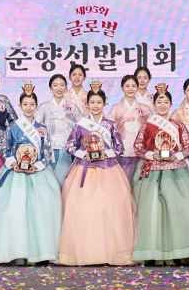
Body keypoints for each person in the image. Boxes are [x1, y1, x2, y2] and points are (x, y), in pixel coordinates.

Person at [58, 89, 135, 266]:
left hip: (108, 170)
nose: (95, 105)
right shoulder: (80, 125)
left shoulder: (110, 125)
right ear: (87, 104)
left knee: (110, 209)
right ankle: (85, 251)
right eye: (92, 102)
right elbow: (69, 145)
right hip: (84, 169)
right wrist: (82, 153)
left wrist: (105, 153)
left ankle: (110, 251)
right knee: (84, 209)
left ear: (104, 103)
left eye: (99, 102)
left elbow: (119, 148)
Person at [132, 86, 189, 264]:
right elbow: (138, 147)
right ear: (154, 104)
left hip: (176, 171)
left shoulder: (178, 125)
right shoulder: (147, 125)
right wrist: (152, 155)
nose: (162, 104)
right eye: (159, 101)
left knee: (178, 210)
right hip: (152, 172)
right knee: (153, 212)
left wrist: (177, 156)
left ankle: (177, 252)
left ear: (171, 104)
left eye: (166, 101)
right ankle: (154, 254)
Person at [0, 89, 62, 265]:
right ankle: (17, 252)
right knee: (15, 211)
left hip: (38, 173)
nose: (29, 107)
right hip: (16, 173)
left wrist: (37, 165)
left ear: (36, 106)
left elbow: (47, 152)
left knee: (41, 211)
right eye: (25, 104)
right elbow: (6, 149)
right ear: (20, 106)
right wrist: (13, 162)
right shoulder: (13, 127)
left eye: (32, 104)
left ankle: (41, 253)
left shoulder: (42, 128)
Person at [36, 73, 79, 186]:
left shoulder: (72, 107)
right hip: (48, 150)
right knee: (49, 183)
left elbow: (81, 126)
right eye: (55, 85)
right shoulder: (44, 107)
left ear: (66, 87)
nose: (59, 88)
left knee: (66, 182)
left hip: (67, 150)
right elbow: (36, 126)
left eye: (62, 85)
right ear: (50, 88)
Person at [109, 75, 152, 179]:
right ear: (122, 88)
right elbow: (109, 129)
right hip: (123, 149)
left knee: (139, 180)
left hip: (140, 149)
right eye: (127, 86)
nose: (130, 89)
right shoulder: (115, 108)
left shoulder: (145, 109)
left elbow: (150, 130)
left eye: (133, 86)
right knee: (124, 180)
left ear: (137, 87)